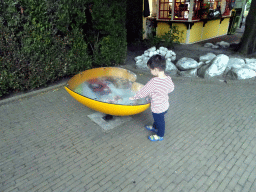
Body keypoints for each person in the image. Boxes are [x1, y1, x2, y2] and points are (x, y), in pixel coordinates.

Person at [129, 54, 175, 141]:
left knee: (160, 121)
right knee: (158, 119)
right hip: (165, 105)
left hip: (158, 108)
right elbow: (171, 88)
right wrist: (162, 92)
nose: (150, 71)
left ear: (156, 69)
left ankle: (160, 135)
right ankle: (154, 127)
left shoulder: (154, 82)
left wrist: (135, 97)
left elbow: (144, 91)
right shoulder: (168, 78)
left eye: (151, 69)